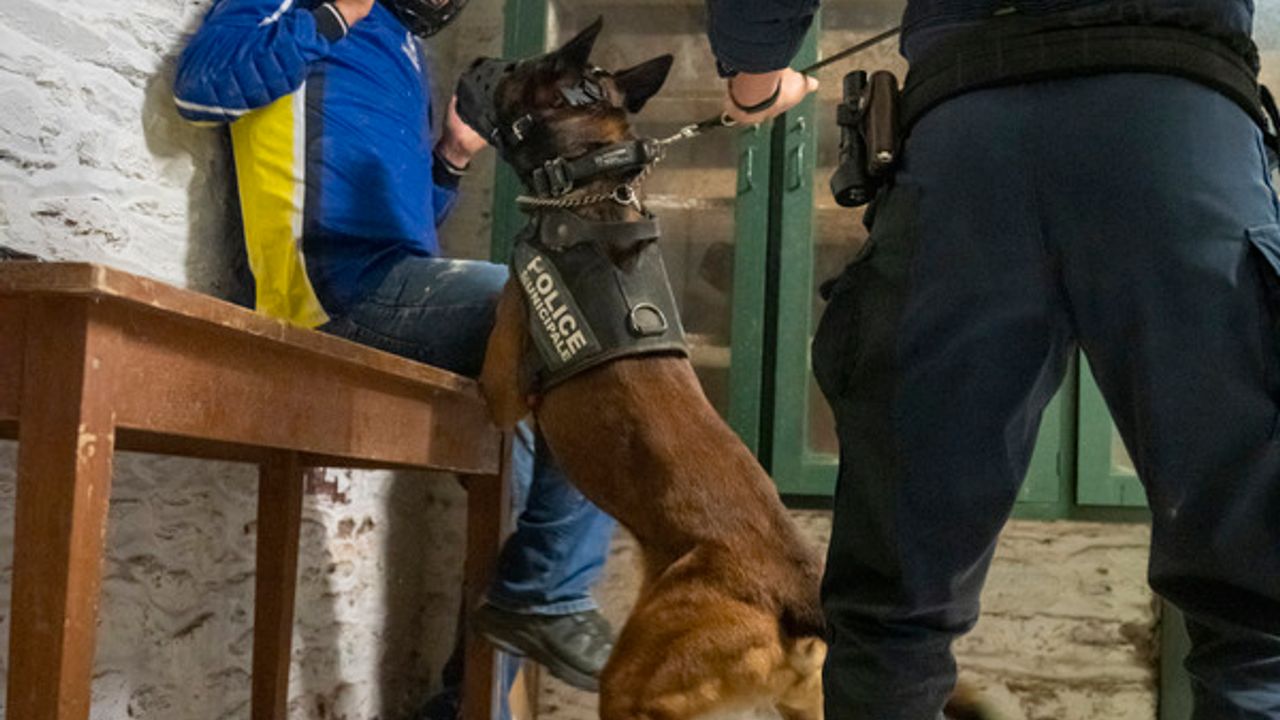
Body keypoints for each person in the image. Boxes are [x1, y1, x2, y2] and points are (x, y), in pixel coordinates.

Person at [705, 1, 1280, 718]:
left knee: (893, 615)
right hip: (1180, 126)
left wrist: (755, 78)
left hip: (967, 140)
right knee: (1260, 618)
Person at [171, 0, 617, 715]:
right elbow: (200, 88)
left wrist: (449, 159)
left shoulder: (407, 52)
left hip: (400, 282)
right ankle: (547, 593)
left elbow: (407, 220)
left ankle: (468, 703)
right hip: (331, 292)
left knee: (532, 448)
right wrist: (330, 14)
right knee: (574, 306)